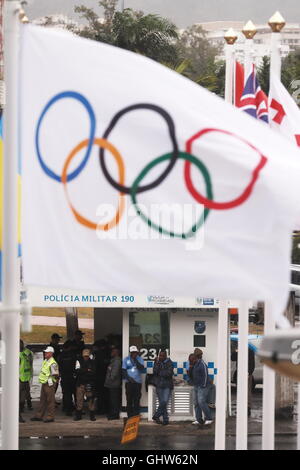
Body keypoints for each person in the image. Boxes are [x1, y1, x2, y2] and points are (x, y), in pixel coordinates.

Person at [31, 346, 59, 423]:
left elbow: (56, 374)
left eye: (46, 352)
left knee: (50, 400)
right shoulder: (45, 361)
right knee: (42, 400)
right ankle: (39, 415)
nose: (45, 353)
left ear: (51, 353)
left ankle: (50, 417)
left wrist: (51, 379)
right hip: (44, 383)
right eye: (45, 352)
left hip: (49, 384)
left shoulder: (53, 363)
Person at [231, 345, 255, 416]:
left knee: (247, 391)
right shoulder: (239, 351)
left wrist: (249, 373)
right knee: (240, 391)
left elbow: (252, 363)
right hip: (239, 373)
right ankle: (241, 408)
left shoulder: (250, 351)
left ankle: (247, 408)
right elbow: (232, 358)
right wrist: (235, 352)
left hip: (247, 373)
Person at [74, 348, 97, 421]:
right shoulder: (78, 361)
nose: (86, 357)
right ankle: (78, 415)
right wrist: (87, 370)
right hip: (80, 384)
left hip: (89, 384)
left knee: (91, 400)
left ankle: (92, 416)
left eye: (87, 356)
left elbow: (93, 372)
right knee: (79, 400)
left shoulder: (93, 362)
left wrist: (82, 370)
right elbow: (77, 371)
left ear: (89, 355)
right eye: (84, 356)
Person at [152, 350, 174, 425]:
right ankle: (165, 419)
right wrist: (156, 363)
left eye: (162, 356)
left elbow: (169, 373)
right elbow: (154, 372)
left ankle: (156, 415)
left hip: (167, 385)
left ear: (165, 356)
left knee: (164, 402)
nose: (160, 357)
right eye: (159, 355)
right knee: (162, 402)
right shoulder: (157, 362)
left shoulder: (170, 362)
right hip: (159, 385)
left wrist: (160, 372)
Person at [122, 345, 145, 418]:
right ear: (130, 353)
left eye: (136, 352)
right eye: (133, 352)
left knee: (137, 400)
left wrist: (135, 360)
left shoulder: (140, 359)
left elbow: (141, 368)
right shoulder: (126, 359)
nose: (135, 354)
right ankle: (129, 416)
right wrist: (129, 378)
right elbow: (123, 370)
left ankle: (136, 416)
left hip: (137, 383)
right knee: (129, 400)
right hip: (129, 383)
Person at [192, 349, 213, 426]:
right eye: (198, 354)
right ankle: (199, 419)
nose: (199, 356)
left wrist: (203, 385)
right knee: (196, 403)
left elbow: (205, 376)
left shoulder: (202, 364)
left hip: (203, 386)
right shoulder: (195, 363)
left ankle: (209, 418)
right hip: (196, 385)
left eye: (200, 354)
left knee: (201, 401)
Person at [58, 340, 77, 416]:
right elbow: (76, 366)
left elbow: (58, 366)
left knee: (66, 393)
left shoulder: (60, 355)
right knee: (75, 393)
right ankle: (76, 408)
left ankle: (67, 408)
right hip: (72, 376)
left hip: (64, 376)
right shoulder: (73, 355)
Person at [93, 338, 110, 415]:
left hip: (99, 377)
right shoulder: (108, 354)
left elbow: (95, 367)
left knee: (100, 394)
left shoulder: (97, 354)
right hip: (106, 377)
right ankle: (106, 409)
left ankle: (100, 409)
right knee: (105, 394)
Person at [104, 347, 122, 420]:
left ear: (116, 352)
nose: (111, 352)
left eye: (113, 351)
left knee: (114, 400)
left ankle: (115, 415)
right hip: (112, 384)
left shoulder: (117, 361)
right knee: (112, 400)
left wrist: (110, 380)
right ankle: (113, 413)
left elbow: (114, 373)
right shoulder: (113, 360)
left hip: (114, 384)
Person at [19, 340, 33, 413]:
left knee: (25, 393)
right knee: (23, 393)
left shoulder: (27, 352)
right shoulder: (24, 353)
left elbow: (30, 362)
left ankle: (24, 406)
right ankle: (23, 407)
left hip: (25, 377)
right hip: (21, 377)